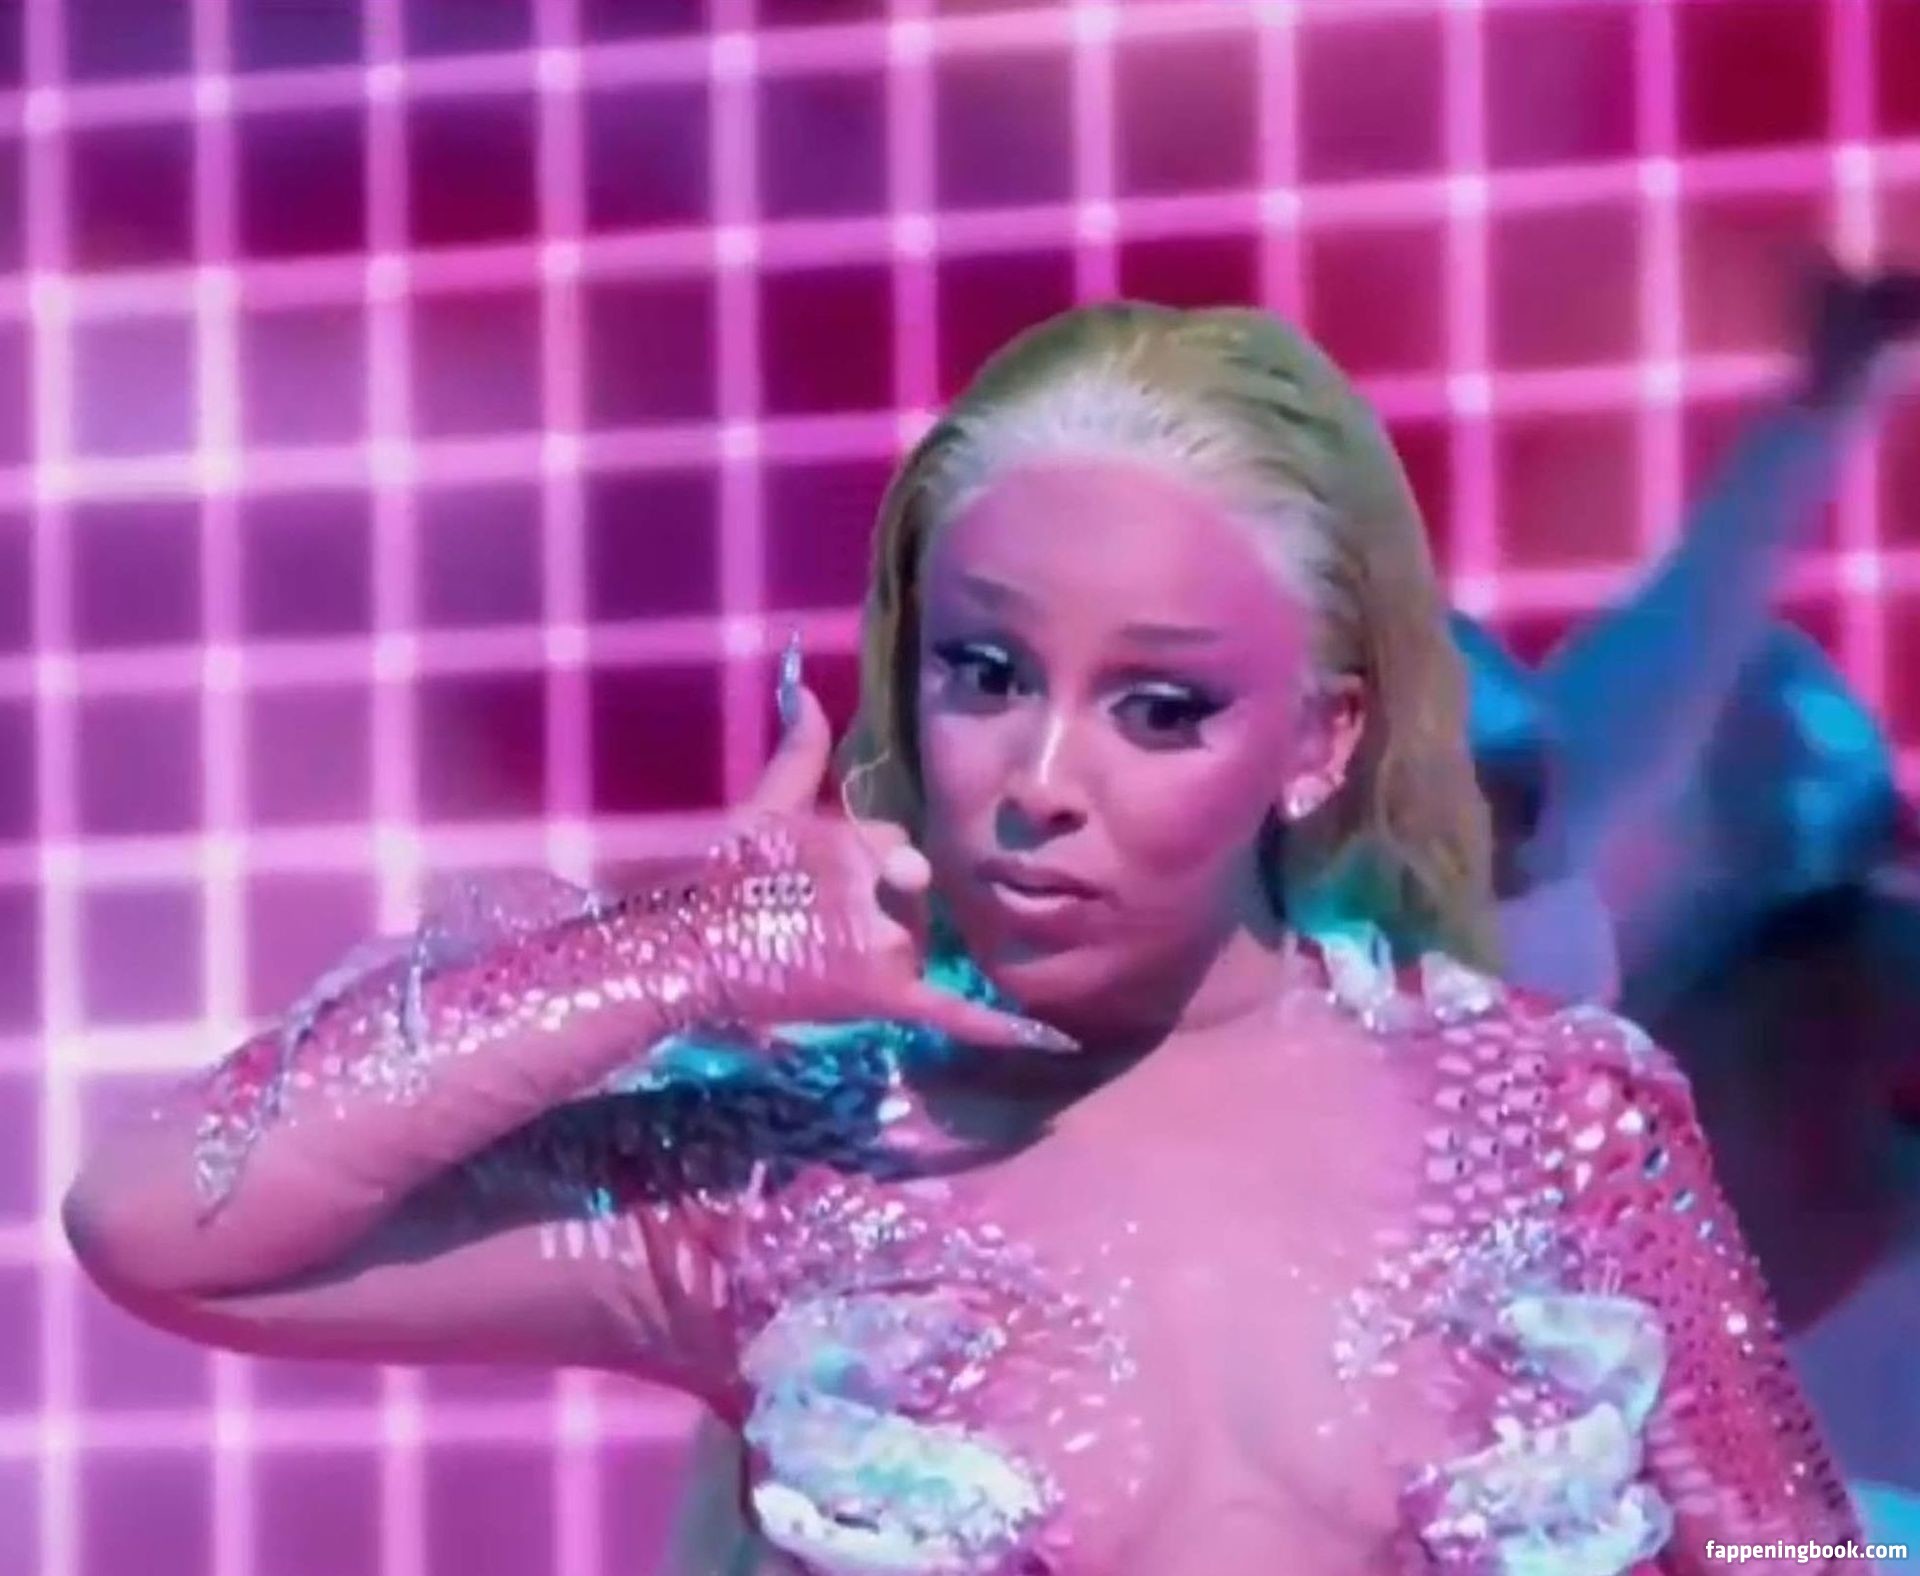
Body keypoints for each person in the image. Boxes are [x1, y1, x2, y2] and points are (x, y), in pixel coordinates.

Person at [64, 305, 1870, 1573]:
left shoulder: (1556, 1121)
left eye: (1159, 706)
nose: (1042, 782)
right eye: (988, 675)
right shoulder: (799, 1159)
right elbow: (160, 1222)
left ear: (1317, 742)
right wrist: (682, 947)